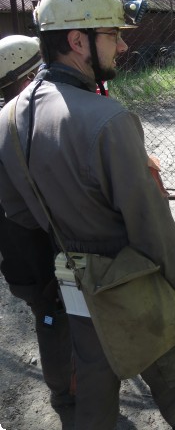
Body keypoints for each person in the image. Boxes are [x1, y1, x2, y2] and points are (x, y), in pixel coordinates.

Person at [0, 0, 175, 430]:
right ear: (77, 40)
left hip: (72, 284)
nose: (123, 49)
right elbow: (151, 225)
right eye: (112, 35)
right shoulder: (108, 120)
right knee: (173, 379)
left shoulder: (6, 121)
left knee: (92, 391)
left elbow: (16, 213)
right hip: (134, 282)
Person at [0, 34, 74, 408]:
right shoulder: (18, 125)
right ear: (26, 76)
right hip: (35, 254)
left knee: (50, 314)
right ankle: (63, 390)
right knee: (52, 318)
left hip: (17, 254)